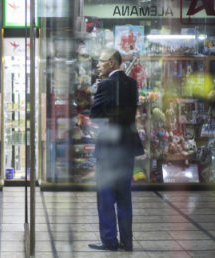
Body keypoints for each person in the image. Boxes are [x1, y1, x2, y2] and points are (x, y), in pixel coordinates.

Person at [88, 49, 144, 252]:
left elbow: (95, 115)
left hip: (109, 148)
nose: (98, 65)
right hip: (128, 147)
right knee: (123, 195)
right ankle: (127, 242)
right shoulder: (132, 84)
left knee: (105, 196)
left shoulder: (105, 85)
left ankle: (110, 241)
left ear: (111, 63)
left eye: (100, 62)